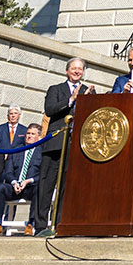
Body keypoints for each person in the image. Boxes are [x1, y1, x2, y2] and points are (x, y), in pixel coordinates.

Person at [35, 57, 94, 235]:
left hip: (75, 145)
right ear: (67, 71)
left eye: (80, 69)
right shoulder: (55, 89)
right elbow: (50, 109)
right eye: (74, 68)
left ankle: (59, 223)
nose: (77, 71)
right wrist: (71, 99)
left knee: (65, 186)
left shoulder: (88, 90)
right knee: (46, 185)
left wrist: (89, 100)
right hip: (54, 143)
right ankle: (40, 225)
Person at [0, 123, 42, 235]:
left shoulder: (41, 152)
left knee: (39, 190)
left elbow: (42, 174)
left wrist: (28, 181)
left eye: (33, 134)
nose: (29, 136)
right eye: (28, 133)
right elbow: (8, 172)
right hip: (15, 186)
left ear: (39, 137)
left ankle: (30, 224)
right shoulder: (16, 150)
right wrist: (14, 182)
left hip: (30, 187)